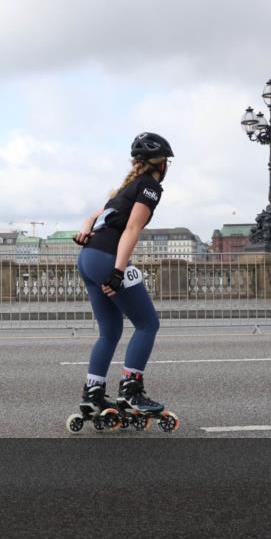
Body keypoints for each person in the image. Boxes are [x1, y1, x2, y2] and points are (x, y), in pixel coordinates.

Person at [73, 132, 171, 423]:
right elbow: (132, 229)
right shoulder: (150, 186)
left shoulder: (124, 188)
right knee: (147, 324)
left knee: (110, 331)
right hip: (106, 258)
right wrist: (118, 269)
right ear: (162, 163)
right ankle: (131, 391)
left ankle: (93, 394)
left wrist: (83, 230)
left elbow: (92, 216)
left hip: (87, 257)